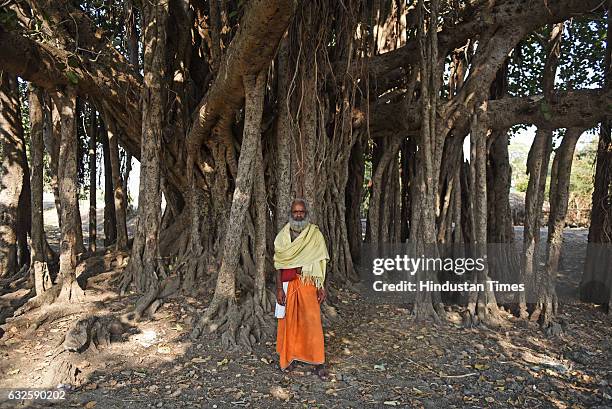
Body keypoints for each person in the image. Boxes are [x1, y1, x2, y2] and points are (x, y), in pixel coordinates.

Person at [274, 198, 330, 380]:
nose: (298, 215)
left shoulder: (315, 235)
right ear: (291, 213)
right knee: (289, 322)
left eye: (301, 212)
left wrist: (321, 287)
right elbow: (278, 264)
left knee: (312, 323)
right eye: (296, 212)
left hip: (308, 284)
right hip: (289, 284)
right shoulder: (282, 237)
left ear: (306, 214)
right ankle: (289, 357)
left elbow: (320, 262)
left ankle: (318, 362)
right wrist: (279, 290)